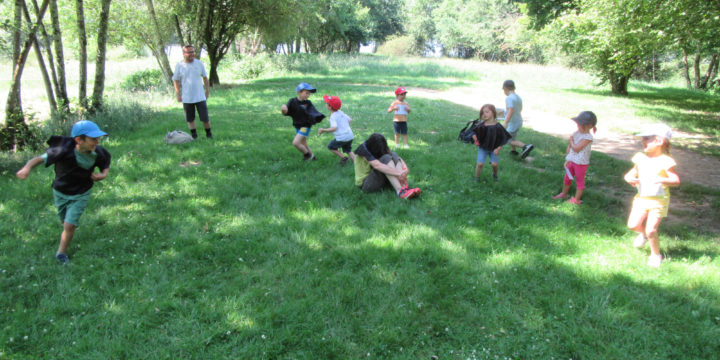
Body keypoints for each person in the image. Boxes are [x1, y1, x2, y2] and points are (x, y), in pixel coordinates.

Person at [15, 120, 111, 264]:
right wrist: (26, 168)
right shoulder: (62, 151)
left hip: (82, 192)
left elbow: (106, 162)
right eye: (93, 139)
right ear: (79, 140)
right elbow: (39, 159)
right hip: (60, 191)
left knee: (69, 225)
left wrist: (103, 175)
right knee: (64, 220)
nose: (97, 141)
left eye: (98, 138)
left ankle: (61, 253)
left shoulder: (97, 152)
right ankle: (68, 227)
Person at [623, 123, 681, 268]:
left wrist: (661, 179)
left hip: (658, 201)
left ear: (659, 141)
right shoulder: (640, 157)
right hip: (641, 199)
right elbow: (631, 173)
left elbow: (675, 180)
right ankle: (642, 235)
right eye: (642, 138)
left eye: (646, 138)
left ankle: (656, 255)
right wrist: (629, 178)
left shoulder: (665, 161)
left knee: (651, 230)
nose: (642, 141)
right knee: (632, 225)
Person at [353, 133, 421, 199]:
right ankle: (400, 191)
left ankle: (405, 188)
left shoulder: (379, 146)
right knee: (385, 158)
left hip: (378, 180)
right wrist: (399, 174)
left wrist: (406, 169)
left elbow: (397, 157)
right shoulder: (363, 150)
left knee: (393, 154)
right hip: (366, 184)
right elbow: (377, 166)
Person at [553, 111, 598, 204]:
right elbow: (569, 149)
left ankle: (576, 200)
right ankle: (564, 193)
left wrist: (572, 142)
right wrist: (568, 159)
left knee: (579, 181)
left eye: (579, 125)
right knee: (567, 178)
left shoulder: (588, 137)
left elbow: (577, 149)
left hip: (581, 163)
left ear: (588, 126)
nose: (577, 126)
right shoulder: (577, 133)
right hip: (572, 161)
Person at [173, 45, 212, 139]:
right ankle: (194, 136)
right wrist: (178, 94)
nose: (192, 54)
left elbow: (205, 78)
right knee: (190, 119)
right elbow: (176, 81)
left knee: (205, 118)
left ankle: (209, 134)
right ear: (184, 54)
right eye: (189, 52)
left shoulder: (199, 63)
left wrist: (207, 90)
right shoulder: (179, 65)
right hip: (187, 97)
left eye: (193, 52)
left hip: (200, 96)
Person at [281, 82, 325, 161]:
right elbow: (286, 112)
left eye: (309, 94)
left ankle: (307, 155)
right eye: (306, 93)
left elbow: (313, 113)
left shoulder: (308, 103)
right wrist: (283, 109)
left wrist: (317, 118)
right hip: (297, 125)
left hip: (305, 126)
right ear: (299, 92)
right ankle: (313, 158)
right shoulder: (292, 101)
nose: (308, 95)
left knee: (296, 143)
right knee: (304, 144)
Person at [471, 104, 512, 182]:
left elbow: (503, 138)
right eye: (482, 113)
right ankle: (477, 177)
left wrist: (498, 149)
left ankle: (495, 174)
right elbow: (473, 131)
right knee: (480, 164)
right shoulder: (481, 125)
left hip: (494, 148)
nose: (484, 114)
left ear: (493, 112)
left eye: (487, 112)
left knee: (494, 164)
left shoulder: (498, 126)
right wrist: (475, 138)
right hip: (483, 147)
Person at [318, 95, 355, 165]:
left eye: (326, 103)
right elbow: (350, 120)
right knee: (348, 150)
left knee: (331, 147)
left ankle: (344, 157)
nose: (325, 104)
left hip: (342, 137)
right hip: (350, 135)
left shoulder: (333, 116)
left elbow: (334, 128)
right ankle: (356, 163)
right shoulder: (340, 112)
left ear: (330, 107)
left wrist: (323, 130)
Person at [502, 80, 533, 159]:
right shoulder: (517, 97)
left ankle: (525, 146)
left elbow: (511, 110)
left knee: (507, 139)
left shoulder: (509, 98)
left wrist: (506, 122)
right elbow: (517, 109)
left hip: (513, 122)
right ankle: (513, 151)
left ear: (505, 88)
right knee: (512, 137)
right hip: (518, 120)